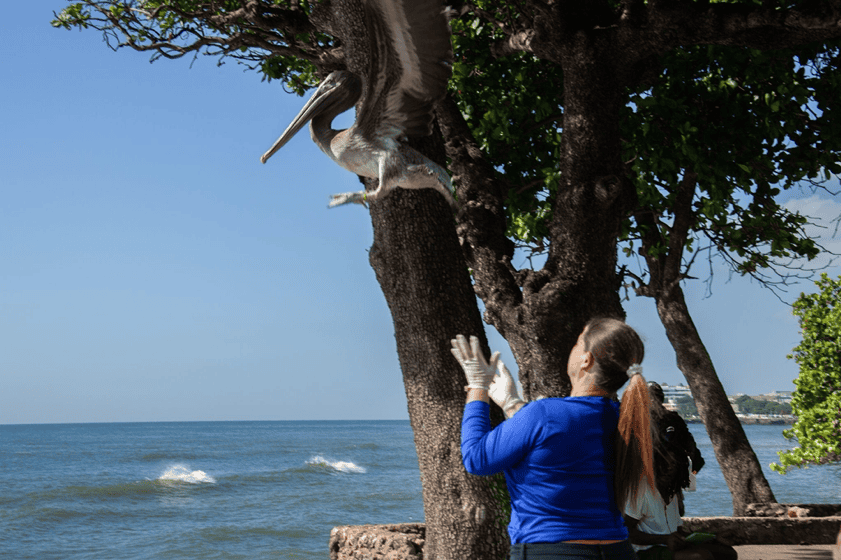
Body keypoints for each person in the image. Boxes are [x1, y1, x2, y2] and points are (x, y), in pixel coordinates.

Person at [454, 317, 657, 560]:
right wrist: (511, 404)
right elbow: (559, 436)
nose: (572, 349)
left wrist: (477, 387)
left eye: (578, 343)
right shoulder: (626, 421)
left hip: (551, 551)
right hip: (617, 551)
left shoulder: (543, 414)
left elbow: (476, 459)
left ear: (586, 359)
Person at [623, 384, 736, 560]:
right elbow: (625, 530)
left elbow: (693, 456)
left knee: (726, 552)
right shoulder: (642, 491)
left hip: (666, 483)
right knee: (699, 556)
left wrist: (710, 538)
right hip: (647, 550)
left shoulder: (662, 421)